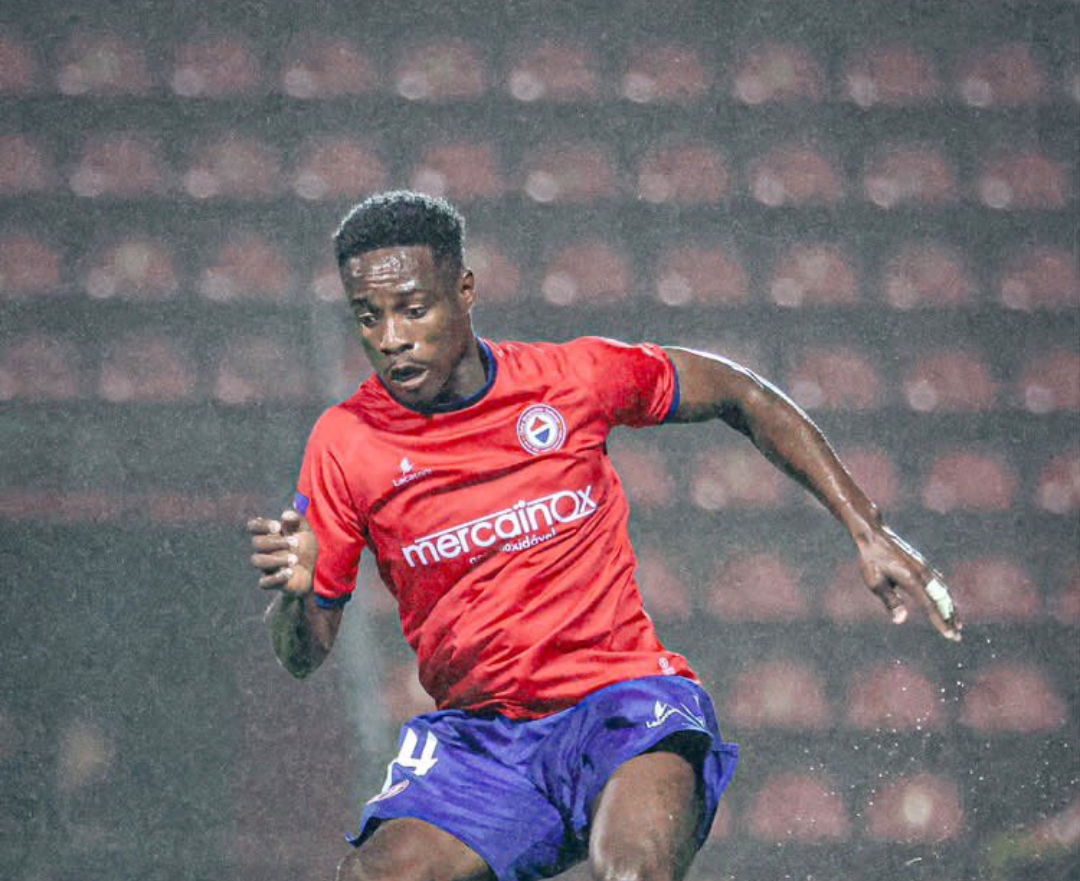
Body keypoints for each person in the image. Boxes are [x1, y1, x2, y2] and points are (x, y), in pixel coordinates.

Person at [247, 190, 962, 881]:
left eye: (413, 308)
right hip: (485, 743)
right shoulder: (347, 442)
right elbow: (303, 655)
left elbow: (740, 392)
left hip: (620, 708)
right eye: (367, 316)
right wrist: (296, 597)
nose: (391, 339)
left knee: (633, 869)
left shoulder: (571, 380)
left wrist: (867, 529)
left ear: (464, 290)